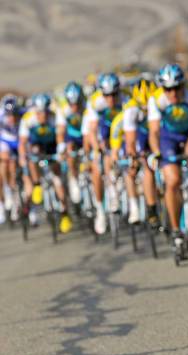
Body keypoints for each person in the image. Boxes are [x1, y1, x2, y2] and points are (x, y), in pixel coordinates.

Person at [147, 63, 188, 251]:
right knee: (173, 180)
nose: (173, 93)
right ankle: (176, 230)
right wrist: (156, 152)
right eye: (168, 89)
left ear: (183, 85)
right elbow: (154, 132)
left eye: (177, 88)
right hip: (169, 137)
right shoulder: (156, 100)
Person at [18, 93, 72, 232]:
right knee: (31, 158)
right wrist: (22, 156)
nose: (42, 115)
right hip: (37, 145)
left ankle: (65, 214)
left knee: (57, 179)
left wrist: (60, 150)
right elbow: (23, 142)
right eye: (39, 112)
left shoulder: (55, 115)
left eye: (45, 112)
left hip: (53, 144)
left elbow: (60, 135)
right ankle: (37, 184)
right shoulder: (28, 118)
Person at [109, 78, 159, 226]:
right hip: (132, 135)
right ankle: (134, 206)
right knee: (132, 167)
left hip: (152, 133)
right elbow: (130, 141)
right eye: (143, 107)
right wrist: (133, 156)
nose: (146, 109)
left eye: (148, 107)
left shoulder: (158, 103)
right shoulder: (130, 110)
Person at [84, 72, 128, 235]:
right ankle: (100, 210)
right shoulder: (95, 101)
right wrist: (96, 149)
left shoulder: (126, 99)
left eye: (114, 94)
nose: (110, 99)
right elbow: (92, 130)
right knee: (98, 165)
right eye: (107, 95)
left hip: (122, 130)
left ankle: (120, 184)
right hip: (104, 132)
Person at [55, 81, 86, 205]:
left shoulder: (87, 106)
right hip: (72, 137)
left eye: (77, 103)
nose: (74, 107)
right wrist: (61, 146)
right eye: (71, 104)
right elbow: (61, 132)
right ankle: (74, 178)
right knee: (70, 150)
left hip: (85, 135)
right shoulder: (63, 110)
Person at [0, 95, 22, 223]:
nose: (12, 118)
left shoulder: (22, 114)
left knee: (14, 162)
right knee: (5, 162)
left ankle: (16, 190)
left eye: (14, 114)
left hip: (17, 140)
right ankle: (7, 193)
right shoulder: (1, 117)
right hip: (4, 141)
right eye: (9, 115)